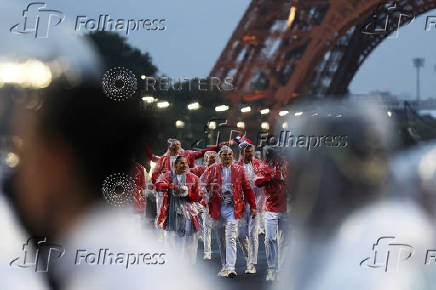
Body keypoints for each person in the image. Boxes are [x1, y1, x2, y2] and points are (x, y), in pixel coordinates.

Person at [202, 146, 257, 278]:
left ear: (233, 156)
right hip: (217, 207)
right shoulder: (212, 169)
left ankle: (231, 267)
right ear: (220, 156)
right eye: (225, 154)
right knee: (221, 239)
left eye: (230, 154)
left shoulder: (239, 169)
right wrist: (205, 199)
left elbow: (247, 188)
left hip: (233, 208)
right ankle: (224, 266)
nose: (227, 157)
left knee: (231, 236)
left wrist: (253, 206)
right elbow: (202, 186)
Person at [155, 156, 202, 264]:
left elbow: (199, 197)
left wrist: (188, 195)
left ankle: (186, 264)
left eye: (185, 163)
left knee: (187, 239)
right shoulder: (167, 176)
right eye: (181, 163)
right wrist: (173, 186)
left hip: (188, 213)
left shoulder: (193, 178)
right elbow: (158, 185)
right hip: (171, 212)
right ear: (174, 165)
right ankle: (175, 263)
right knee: (172, 238)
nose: (184, 165)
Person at [255, 146, 290, 281]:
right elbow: (257, 182)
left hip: (287, 208)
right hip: (270, 208)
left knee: (285, 241)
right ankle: (272, 269)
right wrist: (271, 176)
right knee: (270, 239)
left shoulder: (288, 166)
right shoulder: (264, 167)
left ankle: (282, 269)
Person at [235, 142, 266, 274]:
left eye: (251, 151)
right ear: (242, 153)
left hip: (256, 203)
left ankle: (251, 264)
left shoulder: (259, 164)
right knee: (241, 235)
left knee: (253, 234)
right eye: (247, 151)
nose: (250, 153)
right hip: (242, 204)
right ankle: (249, 256)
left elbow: (267, 177)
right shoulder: (236, 166)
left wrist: (260, 180)